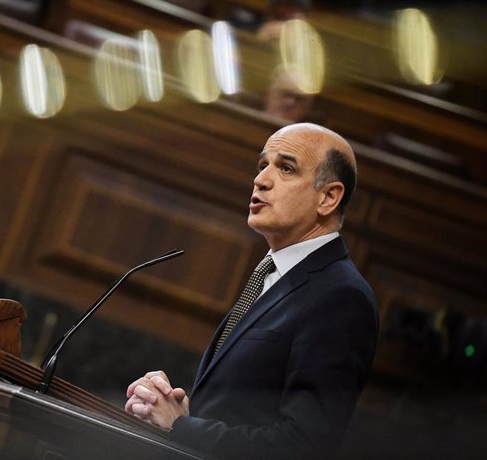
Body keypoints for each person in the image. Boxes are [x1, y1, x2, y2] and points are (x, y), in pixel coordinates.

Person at [124, 123, 378, 460]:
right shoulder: (274, 273)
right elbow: (246, 413)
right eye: (263, 165)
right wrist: (181, 411)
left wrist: (182, 428)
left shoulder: (341, 297)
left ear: (328, 197)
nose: (261, 180)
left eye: (286, 168)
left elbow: (303, 446)